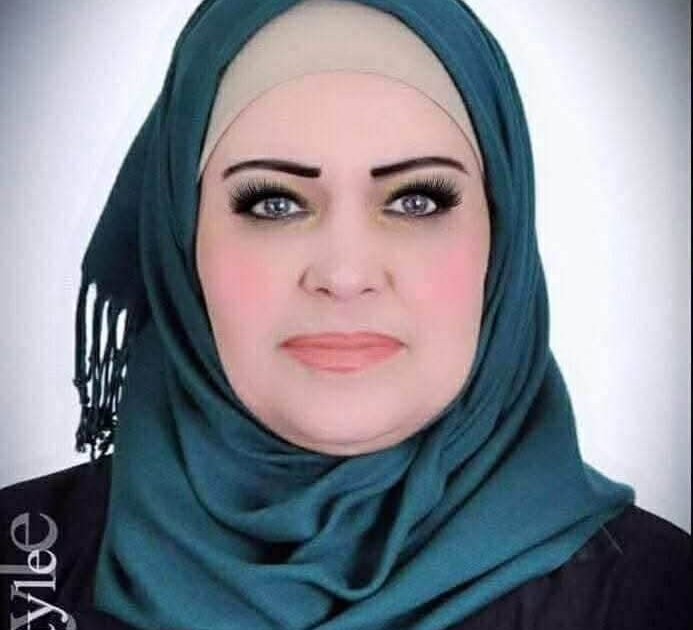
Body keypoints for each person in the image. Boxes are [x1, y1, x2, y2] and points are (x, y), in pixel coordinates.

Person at [0, 1, 689, 629]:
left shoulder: (658, 597)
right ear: (181, 243)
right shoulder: (23, 558)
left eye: (416, 200)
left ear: (501, 240)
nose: (345, 274)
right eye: (273, 203)